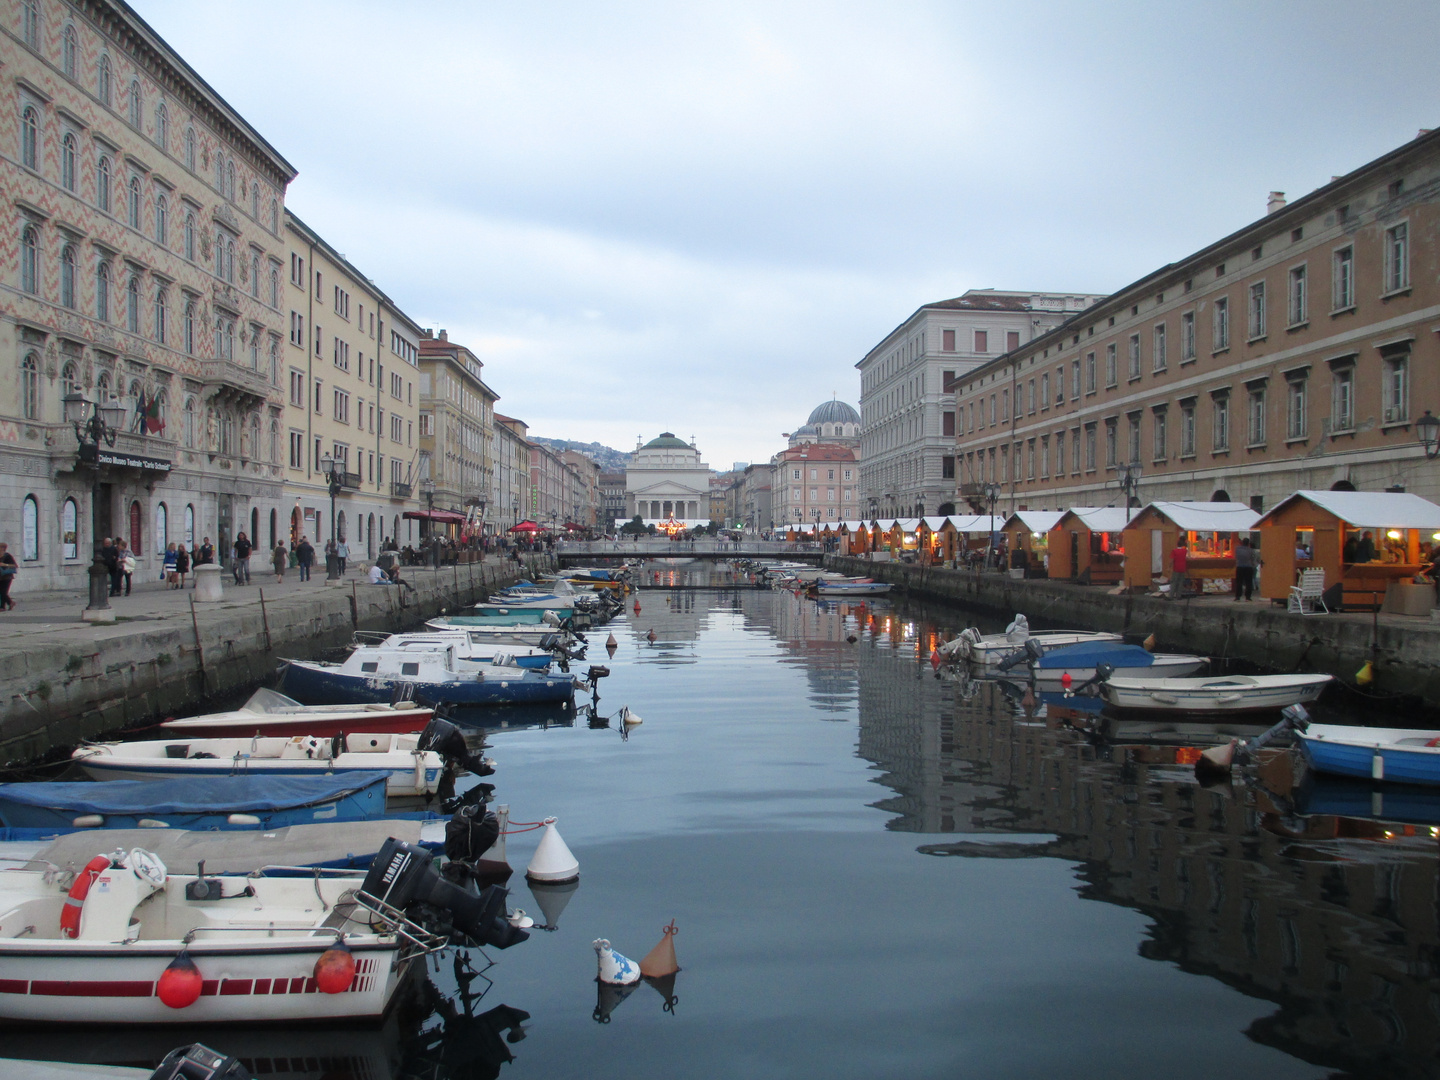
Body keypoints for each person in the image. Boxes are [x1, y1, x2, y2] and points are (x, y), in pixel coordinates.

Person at [0, 542, 16, 611]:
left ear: (4, 548)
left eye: (1, 548)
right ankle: (3, 606)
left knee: (3, 592)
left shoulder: (7, 556)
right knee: (1, 592)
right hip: (0, 576)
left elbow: (14, 565)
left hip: (7, 577)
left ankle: (8, 603)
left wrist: (4, 564)